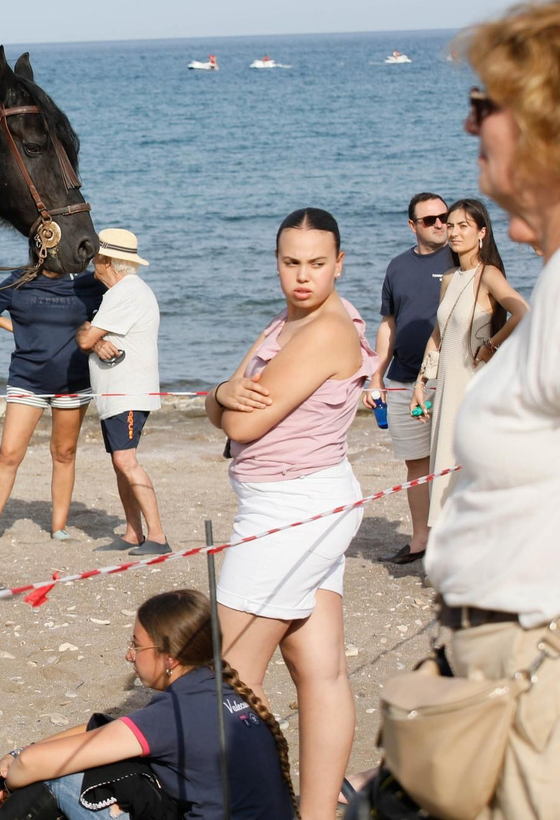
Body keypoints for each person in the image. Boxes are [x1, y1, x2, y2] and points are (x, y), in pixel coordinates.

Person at [423, 0, 560, 818]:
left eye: (485, 105)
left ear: (549, 122)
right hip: (504, 663)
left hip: (542, 672)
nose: (469, 124)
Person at [205, 207, 373, 820]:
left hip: (293, 506)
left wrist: (220, 400)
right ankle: (316, 813)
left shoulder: (325, 329)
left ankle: (254, 808)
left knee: (228, 676)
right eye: (291, 262)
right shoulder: (289, 321)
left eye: (317, 263)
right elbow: (227, 400)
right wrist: (220, 396)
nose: (303, 276)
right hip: (304, 499)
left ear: (339, 263)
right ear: (277, 262)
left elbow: (241, 423)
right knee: (318, 669)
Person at [0, 589, 293, 820]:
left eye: (137, 645)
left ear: (170, 658)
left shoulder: (172, 714)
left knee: (57, 777)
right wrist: (19, 752)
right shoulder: (220, 688)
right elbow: (108, 730)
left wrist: (12, 774)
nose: (129, 655)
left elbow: (31, 765)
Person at [0, 266, 104, 550]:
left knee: (64, 453)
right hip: (27, 379)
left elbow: (116, 310)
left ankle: (59, 528)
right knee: (9, 453)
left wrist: (99, 338)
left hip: (73, 381)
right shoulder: (21, 279)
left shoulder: (87, 281)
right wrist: (14, 327)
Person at [412, 198, 528, 522]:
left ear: (482, 232)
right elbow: (438, 334)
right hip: (446, 389)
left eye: (463, 226)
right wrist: (421, 382)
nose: (454, 232)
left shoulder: (487, 274)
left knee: (470, 469)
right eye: (450, 226)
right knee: (445, 466)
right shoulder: (450, 277)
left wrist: (491, 345)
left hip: (473, 387)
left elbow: (522, 311)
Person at [363, 192, 448, 565]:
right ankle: (420, 540)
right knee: (416, 463)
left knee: (453, 461)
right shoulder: (397, 266)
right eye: (430, 219)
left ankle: (453, 541)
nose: (440, 224)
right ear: (413, 225)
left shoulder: (461, 260)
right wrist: (376, 376)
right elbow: (388, 324)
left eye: (444, 216)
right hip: (401, 379)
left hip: (448, 378)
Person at [75, 229, 169, 555]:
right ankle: (133, 532)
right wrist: (94, 338)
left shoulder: (127, 291)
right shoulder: (118, 293)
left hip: (127, 392)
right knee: (120, 462)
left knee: (125, 460)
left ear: (107, 260)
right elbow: (89, 336)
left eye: (95, 258)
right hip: (115, 393)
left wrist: (92, 337)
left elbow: (85, 339)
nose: (92, 264)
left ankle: (158, 536)